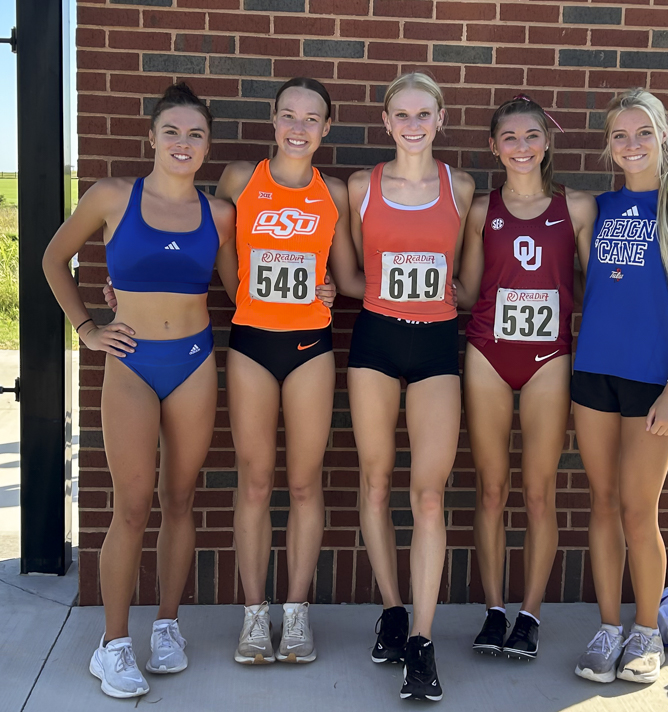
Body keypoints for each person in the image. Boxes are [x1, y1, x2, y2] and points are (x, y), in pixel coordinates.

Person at [43, 83, 236, 698]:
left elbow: (239, 291)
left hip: (193, 360)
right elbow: (52, 259)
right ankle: (113, 644)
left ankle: (167, 627)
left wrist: (309, 293)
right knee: (131, 506)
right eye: (172, 131)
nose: (184, 143)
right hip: (129, 364)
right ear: (151, 137)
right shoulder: (112, 196)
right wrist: (87, 330)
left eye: (195, 134)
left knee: (179, 500)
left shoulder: (220, 214)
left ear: (208, 145)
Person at [571, 88, 668, 684]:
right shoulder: (602, 209)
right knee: (603, 505)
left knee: (640, 511)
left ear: (662, 136)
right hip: (594, 376)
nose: (631, 144)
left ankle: (643, 632)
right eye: (619, 135)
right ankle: (608, 628)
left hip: (655, 383)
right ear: (609, 146)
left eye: (642, 132)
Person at [215, 78, 362, 665]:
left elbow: (347, 276)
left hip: (311, 347)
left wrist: (336, 288)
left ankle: (296, 614)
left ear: (326, 128)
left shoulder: (334, 194)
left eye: (311, 119)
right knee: (254, 483)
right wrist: (241, 295)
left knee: (304, 483)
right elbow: (219, 248)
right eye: (288, 117)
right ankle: (255, 617)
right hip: (251, 344)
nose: (298, 128)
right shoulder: (237, 179)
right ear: (272, 120)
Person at [347, 72, 475, 702]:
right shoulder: (360, 187)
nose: (414, 124)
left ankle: (422, 641)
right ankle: (393, 609)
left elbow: (469, 283)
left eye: (425, 113)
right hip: (374, 339)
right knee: (375, 482)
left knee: (428, 495)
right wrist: (329, 288)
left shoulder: (462, 186)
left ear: (440, 118)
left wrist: (457, 293)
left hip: (434, 345)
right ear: (386, 119)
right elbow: (346, 271)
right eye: (403, 113)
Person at [454, 96, 596, 661]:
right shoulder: (479, 209)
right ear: (493, 146)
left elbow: (593, 288)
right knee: (491, 489)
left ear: (546, 142)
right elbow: (466, 291)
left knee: (539, 493)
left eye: (531, 135)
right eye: (508, 137)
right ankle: (494, 609)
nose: (520, 146)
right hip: (488, 352)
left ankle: (530, 613)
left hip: (548, 358)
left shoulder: (577, 207)